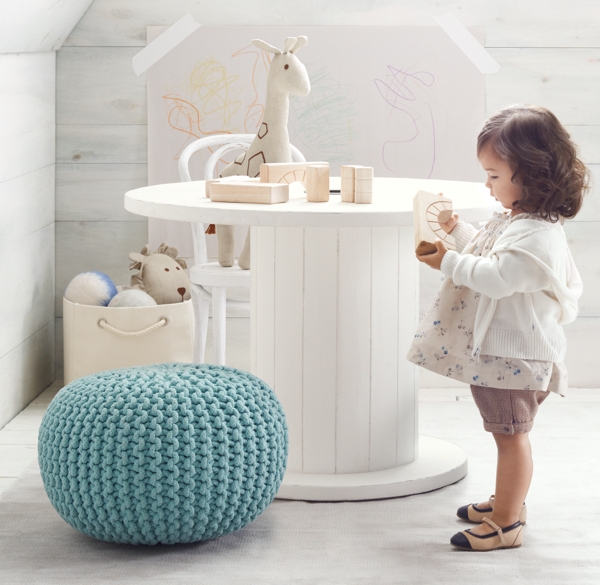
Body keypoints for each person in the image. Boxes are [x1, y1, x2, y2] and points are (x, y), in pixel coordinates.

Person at [407, 104, 588, 551]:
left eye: (493, 176)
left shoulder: (537, 236)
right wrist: (458, 232)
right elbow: (493, 255)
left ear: (530, 175)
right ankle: (508, 502)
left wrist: (446, 260)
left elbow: (497, 276)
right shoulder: (521, 223)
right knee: (506, 432)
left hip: (515, 359)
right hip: (504, 359)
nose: (487, 185)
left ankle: (506, 523)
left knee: (511, 438)